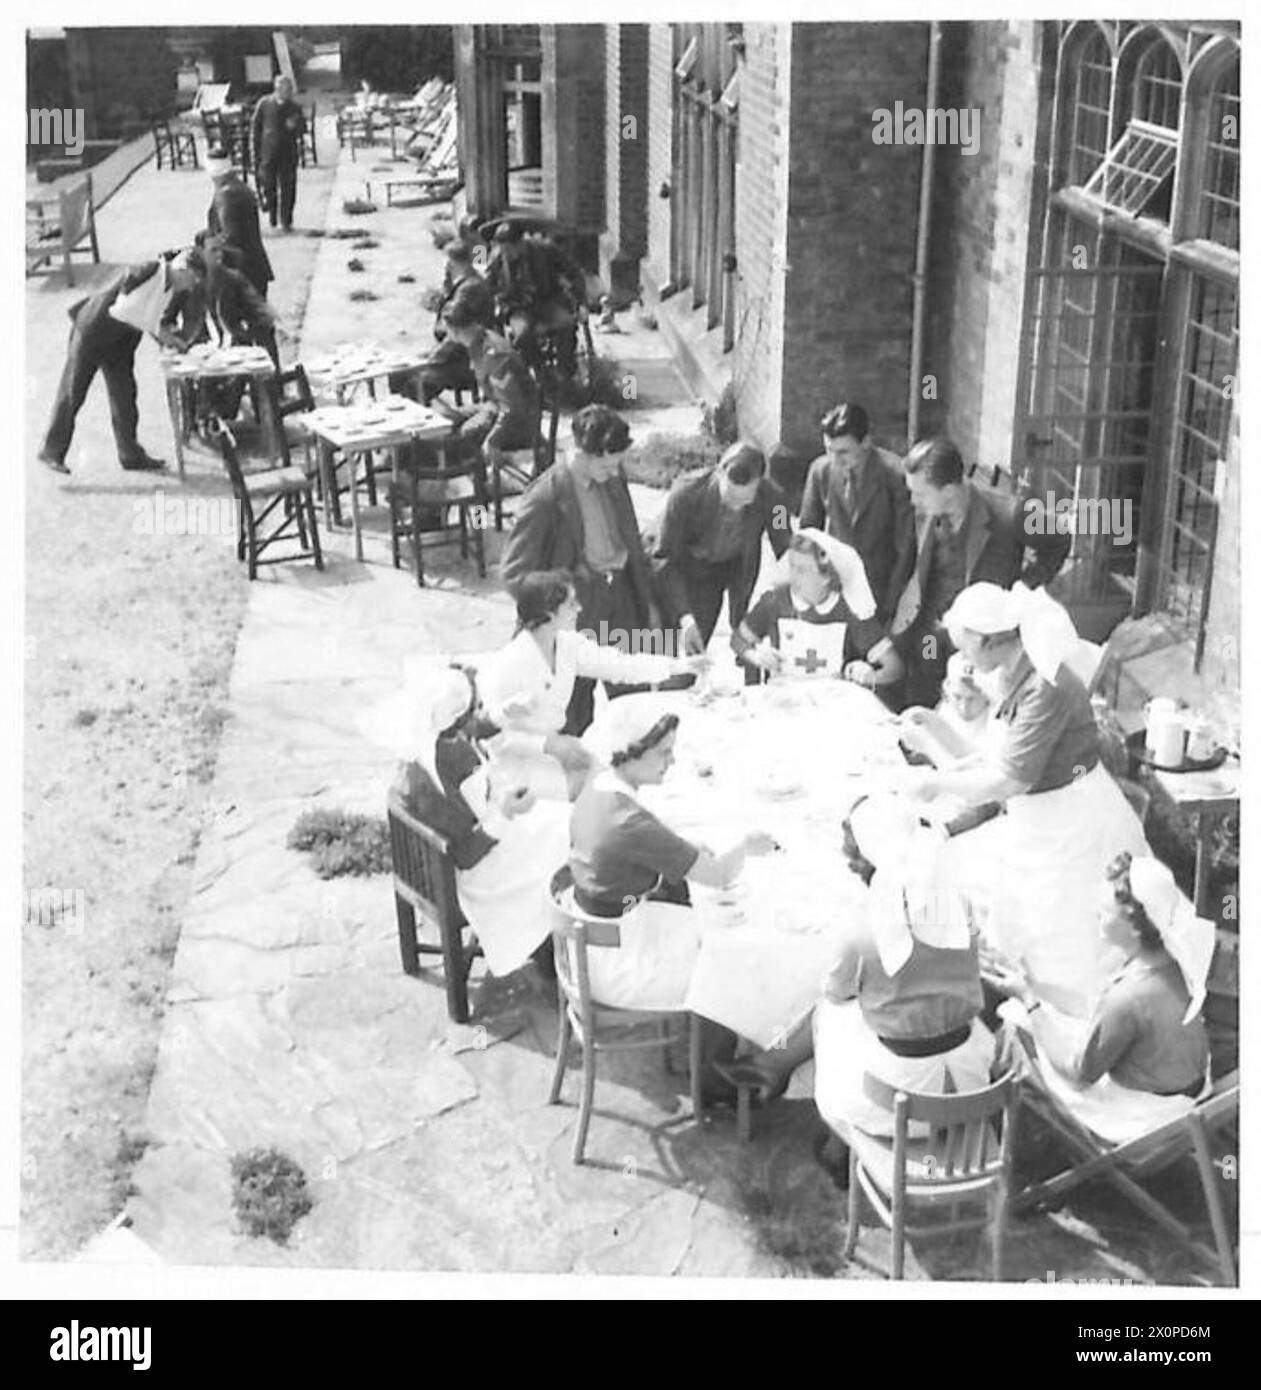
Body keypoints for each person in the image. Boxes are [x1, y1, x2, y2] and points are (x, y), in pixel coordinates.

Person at [899, 581, 1148, 1019]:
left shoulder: (1047, 685)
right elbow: (997, 755)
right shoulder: (1014, 671)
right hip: (1037, 817)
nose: (964, 659)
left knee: (1067, 936)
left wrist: (938, 785)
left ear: (990, 640)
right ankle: (1020, 1004)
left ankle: (1072, 1024)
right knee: (1005, 906)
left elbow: (1008, 780)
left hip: (1071, 822)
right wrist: (936, 735)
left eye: (965, 646)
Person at [711, 795, 996, 1151]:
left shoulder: (863, 930)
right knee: (894, 1017)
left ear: (864, 865)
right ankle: (774, 1065)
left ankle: (832, 1138)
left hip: (898, 1104)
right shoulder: (957, 903)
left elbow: (837, 994)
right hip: (970, 1087)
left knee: (829, 1015)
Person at [567, 697, 779, 1090]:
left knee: (704, 923)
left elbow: (643, 842)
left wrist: (682, 847)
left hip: (595, 936)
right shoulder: (630, 821)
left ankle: (715, 1050)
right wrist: (746, 847)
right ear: (632, 753)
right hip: (618, 962)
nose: (672, 761)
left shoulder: (601, 786)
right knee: (730, 953)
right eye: (664, 753)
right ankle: (714, 1081)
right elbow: (717, 875)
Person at [386, 661, 572, 979]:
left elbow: (474, 728)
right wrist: (505, 813)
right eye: (475, 707)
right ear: (456, 717)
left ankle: (549, 935)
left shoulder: (429, 739)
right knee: (566, 840)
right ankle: (549, 945)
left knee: (562, 818)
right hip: (464, 873)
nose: (477, 713)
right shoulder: (437, 775)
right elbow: (466, 853)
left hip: (470, 843)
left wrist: (504, 713)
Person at [501, 405, 669, 733]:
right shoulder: (546, 495)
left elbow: (631, 540)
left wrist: (646, 600)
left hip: (620, 597)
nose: (615, 470)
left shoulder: (613, 477)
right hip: (579, 606)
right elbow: (514, 575)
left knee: (635, 704)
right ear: (582, 452)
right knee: (574, 711)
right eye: (607, 464)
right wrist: (558, 598)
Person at [891, 437, 1071, 707]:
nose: (913, 501)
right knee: (922, 701)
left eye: (920, 493)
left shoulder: (1013, 512)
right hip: (931, 635)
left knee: (973, 711)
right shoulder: (926, 511)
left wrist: (1021, 589)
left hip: (981, 642)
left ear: (949, 490)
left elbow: (1058, 540)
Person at [480, 570, 699, 751]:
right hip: (519, 762)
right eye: (571, 604)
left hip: (556, 748)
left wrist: (680, 665)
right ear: (549, 613)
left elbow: (619, 665)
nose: (580, 609)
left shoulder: (568, 645)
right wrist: (552, 747)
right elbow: (487, 733)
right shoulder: (509, 664)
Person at [38, 250, 206, 475]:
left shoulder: (170, 285)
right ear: (182, 268)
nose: (191, 286)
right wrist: (164, 338)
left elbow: (153, 318)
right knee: (73, 392)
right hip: (93, 332)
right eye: (192, 279)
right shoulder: (149, 271)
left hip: (119, 341)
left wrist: (172, 341)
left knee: (125, 395)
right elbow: (125, 309)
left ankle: (130, 453)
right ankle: (51, 451)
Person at [650, 442, 793, 655]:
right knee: (669, 657)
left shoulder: (776, 502)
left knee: (693, 661)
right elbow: (663, 558)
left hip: (724, 573)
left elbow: (786, 547)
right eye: (730, 499)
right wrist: (685, 617)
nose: (736, 506)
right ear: (719, 473)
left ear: (760, 482)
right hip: (681, 572)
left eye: (744, 499)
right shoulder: (684, 494)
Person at [731, 529, 904, 696]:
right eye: (791, 566)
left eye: (802, 570)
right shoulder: (775, 602)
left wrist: (869, 676)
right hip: (783, 699)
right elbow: (738, 639)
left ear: (826, 577)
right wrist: (755, 656)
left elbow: (894, 667)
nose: (793, 576)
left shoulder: (849, 609)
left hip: (832, 702)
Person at [799, 403, 916, 624]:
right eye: (829, 450)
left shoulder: (895, 475)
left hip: (879, 588)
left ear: (866, 442)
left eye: (843, 452)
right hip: (835, 586)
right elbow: (808, 536)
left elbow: (906, 547)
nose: (835, 459)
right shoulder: (820, 470)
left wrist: (893, 602)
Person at [432, 300, 540, 461]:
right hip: (496, 407)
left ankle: (474, 477)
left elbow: (512, 408)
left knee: (465, 435)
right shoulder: (477, 342)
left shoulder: (494, 355)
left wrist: (493, 439)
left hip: (520, 421)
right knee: (444, 418)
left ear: (454, 328)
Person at [408, 243, 496, 405]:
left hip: (465, 356)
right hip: (455, 351)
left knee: (415, 381)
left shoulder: (470, 288)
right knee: (402, 374)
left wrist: (433, 359)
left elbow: (456, 330)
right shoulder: (462, 283)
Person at [206, 156, 273, 300]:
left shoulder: (226, 196)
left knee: (229, 320)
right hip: (255, 267)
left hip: (241, 272)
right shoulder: (239, 186)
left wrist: (208, 245)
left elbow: (230, 236)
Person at [251, 75, 306, 232]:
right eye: (285, 90)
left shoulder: (294, 107)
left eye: (289, 90)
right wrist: (255, 152)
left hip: (288, 152)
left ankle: (286, 220)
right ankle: (273, 217)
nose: (288, 93)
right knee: (269, 186)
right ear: (277, 89)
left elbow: (303, 129)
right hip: (268, 151)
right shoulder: (264, 104)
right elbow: (256, 128)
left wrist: (295, 126)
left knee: (288, 187)